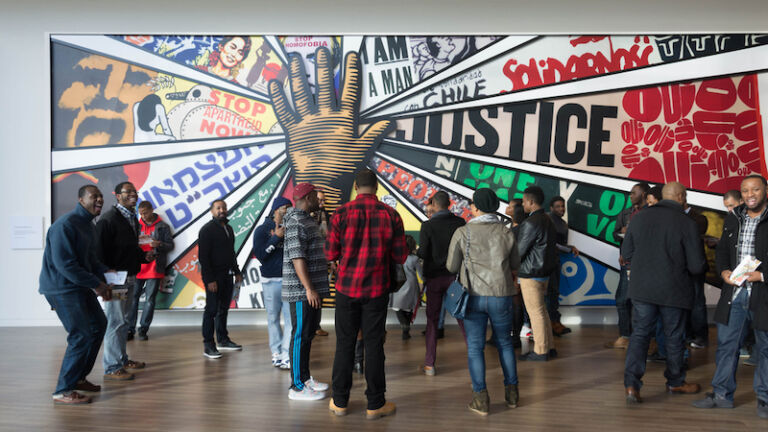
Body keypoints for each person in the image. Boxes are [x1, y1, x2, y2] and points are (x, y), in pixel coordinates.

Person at [326, 169, 407, 420]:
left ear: (356, 187)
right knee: (374, 345)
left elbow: (330, 254)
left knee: (344, 344)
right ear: (377, 186)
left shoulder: (340, 213)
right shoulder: (391, 214)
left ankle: (339, 402)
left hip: (346, 289)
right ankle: (375, 403)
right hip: (376, 289)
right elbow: (400, 256)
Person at [622, 182, 706, 404]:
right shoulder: (686, 223)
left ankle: (631, 385)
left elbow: (627, 252)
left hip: (641, 289)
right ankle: (675, 382)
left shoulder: (638, 217)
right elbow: (697, 266)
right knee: (674, 337)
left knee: (639, 335)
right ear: (680, 197)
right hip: (674, 290)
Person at [693, 175, 768, 419]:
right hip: (734, 294)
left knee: (765, 349)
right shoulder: (734, 217)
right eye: (745, 190)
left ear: (766, 190)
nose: (750, 194)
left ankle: (765, 400)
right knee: (726, 346)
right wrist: (724, 270)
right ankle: (722, 395)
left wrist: (762, 276)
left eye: (755, 189)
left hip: (762, 294)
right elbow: (724, 250)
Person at [446, 188, 521, 416]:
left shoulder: (462, 232)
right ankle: (512, 395)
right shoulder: (507, 232)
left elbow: (450, 266)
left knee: (475, 349)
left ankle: (481, 399)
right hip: (501, 295)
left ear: (475, 208)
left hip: (472, 298)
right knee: (505, 344)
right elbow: (516, 262)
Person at [40, 185, 112, 405]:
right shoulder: (64, 225)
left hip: (78, 286)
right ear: (81, 200)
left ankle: (79, 377)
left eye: (100, 196)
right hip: (62, 288)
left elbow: (89, 261)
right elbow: (66, 266)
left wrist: (106, 273)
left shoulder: (87, 225)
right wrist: (97, 285)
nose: (99, 199)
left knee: (99, 325)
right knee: (80, 335)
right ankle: (63, 390)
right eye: (94, 196)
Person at [95, 182, 151, 381]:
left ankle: (122, 359)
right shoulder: (109, 219)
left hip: (129, 276)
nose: (133, 195)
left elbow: (129, 248)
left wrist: (144, 258)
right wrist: (103, 280)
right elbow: (98, 252)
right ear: (117, 196)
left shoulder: (131, 217)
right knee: (116, 321)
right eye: (128, 192)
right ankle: (112, 367)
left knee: (124, 321)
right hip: (115, 280)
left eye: (135, 192)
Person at [282, 183, 330, 401]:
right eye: (316, 197)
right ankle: (297, 386)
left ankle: (306, 377)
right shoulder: (295, 221)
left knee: (308, 335)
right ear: (308, 197)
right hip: (301, 292)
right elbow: (297, 257)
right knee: (300, 336)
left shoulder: (308, 219)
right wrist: (309, 288)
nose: (319, 201)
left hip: (312, 291)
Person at [417, 190, 466, 375]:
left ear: (435, 206)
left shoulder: (428, 226)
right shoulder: (460, 223)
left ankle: (430, 364)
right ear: (449, 204)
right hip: (456, 278)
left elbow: (423, 252)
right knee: (462, 318)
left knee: (432, 321)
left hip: (434, 278)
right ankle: (474, 357)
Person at [516, 185, 558, 361]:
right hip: (544, 272)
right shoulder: (548, 219)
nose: (523, 205)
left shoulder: (531, 222)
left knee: (536, 312)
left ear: (531, 202)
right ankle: (550, 347)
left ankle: (540, 351)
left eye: (525, 201)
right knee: (543, 311)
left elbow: (519, 251)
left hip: (530, 273)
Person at [198, 199, 244, 359]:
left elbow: (231, 253)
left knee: (223, 309)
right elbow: (203, 257)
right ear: (212, 211)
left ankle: (223, 340)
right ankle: (208, 345)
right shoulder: (206, 230)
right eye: (218, 208)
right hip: (213, 277)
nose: (222, 210)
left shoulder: (229, 229)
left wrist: (237, 271)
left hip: (228, 274)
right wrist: (209, 279)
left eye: (224, 207)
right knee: (211, 310)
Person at [605, 183, 649, 350]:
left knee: (643, 301)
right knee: (622, 300)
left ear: (643, 193)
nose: (630, 195)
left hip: (645, 263)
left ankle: (646, 338)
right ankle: (625, 336)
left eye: (634, 193)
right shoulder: (625, 213)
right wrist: (621, 231)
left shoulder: (651, 213)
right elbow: (615, 234)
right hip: (627, 262)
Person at [252, 196, 292, 369]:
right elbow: (261, 255)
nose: (288, 211)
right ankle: (276, 352)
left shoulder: (292, 227)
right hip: (270, 281)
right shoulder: (262, 229)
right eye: (285, 208)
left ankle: (286, 354)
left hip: (290, 279)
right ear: (276, 209)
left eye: (290, 208)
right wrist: (275, 238)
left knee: (291, 320)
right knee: (273, 317)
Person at [127, 201, 174, 341]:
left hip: (154, 267)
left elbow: (170, 245)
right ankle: (130, 329)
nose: (143, 216)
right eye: (140, 213)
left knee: (149, 300)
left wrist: (158, 244)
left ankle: (143, 330)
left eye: (145, 213)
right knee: (132, 299)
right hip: (138, 266)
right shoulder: (136, 224)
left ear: (151, 210)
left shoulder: (163, 226)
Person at [547, 196, 579, 337]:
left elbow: (560, 244)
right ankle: (551, 324)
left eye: (563, 206)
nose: (561, 209)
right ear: (551, 208)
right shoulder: (549, 220)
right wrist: (569, 249)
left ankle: (555, 322)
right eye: (558, 206)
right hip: (547, 262)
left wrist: (570, 247)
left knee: (554, 293)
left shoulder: (562, 222)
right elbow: (551, 242)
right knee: (550, 293)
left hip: (555, 261)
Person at [684, 195, 710, 349]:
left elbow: (693, 233)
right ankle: (688, 334)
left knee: (697, 302)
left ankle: (701, 336)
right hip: (681, 267)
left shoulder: (699, 218)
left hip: (695, 267)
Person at [391, 235, 422, 340]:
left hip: (399, 284)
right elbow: (421, 275)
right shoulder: (415, 258)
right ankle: (406, 330)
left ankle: (404, 326)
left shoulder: (395, 257)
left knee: (397, 307)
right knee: (409, 308)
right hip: (412, 285)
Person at [311, 189, 330, 337]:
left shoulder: (326, 216)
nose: (322, 204)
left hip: (323, 260)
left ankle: (316, 325)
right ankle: (310, 325)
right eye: (320, 200)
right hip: (309, 262)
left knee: (321, 295)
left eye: (324, 201)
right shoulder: (305, 216)